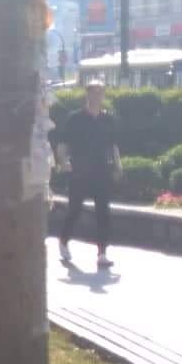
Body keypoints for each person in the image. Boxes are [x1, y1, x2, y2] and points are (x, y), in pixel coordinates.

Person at [56, 81, 121, 269]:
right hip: (80, 171)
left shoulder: (107, 119)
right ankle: (64, 240)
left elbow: (113, 145)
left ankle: (102, 253)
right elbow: (63, 143)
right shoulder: (75, 118)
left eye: (100, 92)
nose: (97, 96)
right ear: (87, 94)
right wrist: (64, 162)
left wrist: (118, 166)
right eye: (94, 92)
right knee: (75, 209)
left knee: (103, 211)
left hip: (101, 171)